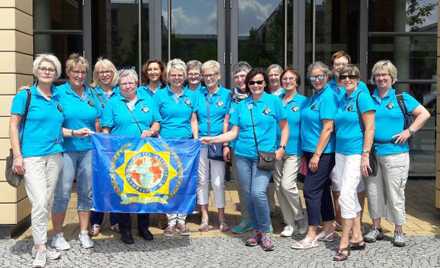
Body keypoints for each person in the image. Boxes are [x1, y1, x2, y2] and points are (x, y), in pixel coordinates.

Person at [201, 68, 289, 251]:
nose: (256, 85)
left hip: (265, 156)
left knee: (258, 193)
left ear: (264, 83)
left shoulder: (274, 101)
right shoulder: (241, 105)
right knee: (248, 196)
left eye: (259, 82)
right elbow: (233, 132)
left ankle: (265, 232)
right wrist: (213, 139)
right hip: (242, 156)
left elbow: (285, 126)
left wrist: (281, 148)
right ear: (247, 85)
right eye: (252, 83)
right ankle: (256, 232)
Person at [363, 60, 430, 247]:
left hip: (396, 154)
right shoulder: (369, 98)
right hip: (373, 153)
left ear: (392, 78)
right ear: (373, 78)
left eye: (385, 75)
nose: (381, 78)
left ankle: (399, 230)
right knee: (374, 192)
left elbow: (424, 114)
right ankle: (376, 228)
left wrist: (409, 131)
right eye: (378, 75)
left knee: (395, 193)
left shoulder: (402, 98)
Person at [9, 54, 67, 267]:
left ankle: (39, 243)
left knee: (47, 201)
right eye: (43, 68)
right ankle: (40, 247)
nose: (47, 71)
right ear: (36, 71)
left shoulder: (58, 96)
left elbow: (57, 128)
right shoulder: (25, 95)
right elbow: (13, 126)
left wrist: (75, 132)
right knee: (40, 201)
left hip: (55, 154)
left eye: (51, 69)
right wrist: (17, 155)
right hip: (31, 156)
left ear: (56, 73)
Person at [100, 69, 161, 244]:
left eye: (130, 83)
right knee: (124, 192)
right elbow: (106, 128)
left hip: (145, 154)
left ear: (136, 84)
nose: (127, 86)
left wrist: (151, 130)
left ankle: (143, 227)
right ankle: (125, 229)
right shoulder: (113, 103)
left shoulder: (147, 100)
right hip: (122, 154)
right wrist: (108, 148)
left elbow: (157, 122)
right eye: (123, 83)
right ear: (119, 86)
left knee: (144, 190)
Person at [51, 53, 99, 251]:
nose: (79, 75)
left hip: (88, 150)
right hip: (66, 150)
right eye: (75, 71)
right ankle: (57, 234)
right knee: (62, 193)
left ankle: (84, 232)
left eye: (82, 72)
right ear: (68, 72)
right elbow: (51, 124)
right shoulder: (58, 93)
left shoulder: (92, 93)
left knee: (86, 193)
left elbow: (98, 119)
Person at [291, 62, 337, 250]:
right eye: (313, 77)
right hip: (311, 151)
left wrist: (317, 155)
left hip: (323, 153)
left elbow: (328, 127)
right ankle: (328, 228)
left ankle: (312, 233)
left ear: (327, 77)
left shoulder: (328, 97)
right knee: (323, 190)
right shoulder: (314, 97)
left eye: (320, 76)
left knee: (310, 191)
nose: (317, 80)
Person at [332, 65, 375, 261]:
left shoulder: (362, 96)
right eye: (344, 76)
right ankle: (357, 237)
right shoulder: (341, 97)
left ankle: (345, 242)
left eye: (351, 76)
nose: (347, 79)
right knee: (346, 194)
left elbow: (370, 128)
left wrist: (365, 154)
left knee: (346, 196)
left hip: (355, 154)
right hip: (340, 152)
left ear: (357, 78)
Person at [154, 58, 199, 236]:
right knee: (168, 181)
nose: (177, 78)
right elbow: (156, 121)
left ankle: (182, 220)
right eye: (174, 75)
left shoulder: (192, 95)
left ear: (185, 76)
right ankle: (170, 220)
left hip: (187, 144)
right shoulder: (159, 95)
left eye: (180, 75)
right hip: (166, 144)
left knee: (185, 181)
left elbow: (193, 119)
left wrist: (196, 139)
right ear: (167, 76)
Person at [328, 50, 368, 229]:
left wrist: (366, 151)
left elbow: (369, 123)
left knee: (353, 187)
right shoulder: (330, 88)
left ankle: (354, 223)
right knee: (337, 182)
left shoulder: (361, 90)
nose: (341, 69)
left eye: (344, 65)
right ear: (333, 67)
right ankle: (341, 219)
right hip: (336, 144)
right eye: (337, 65)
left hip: (354, 146)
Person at [196, 60, 231, 232]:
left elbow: (227, 120)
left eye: (212, 75)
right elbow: (194, 117)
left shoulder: (227, 95)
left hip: (217, 142)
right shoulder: (198, 94)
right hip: (201, 143)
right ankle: (204, 217)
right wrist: (196, 138)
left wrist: (225, 143)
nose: (209, 78)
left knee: (218, 182)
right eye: (206, 75)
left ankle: (222, 218)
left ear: (218, 76)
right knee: (202, 181)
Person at [274, 67, 308, 238]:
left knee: (288, 185)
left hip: (294, 150)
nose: (287, 81)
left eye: (291, 79)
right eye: (285, 79)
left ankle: (300, 216)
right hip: (276, 150)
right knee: (279, 188)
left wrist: (306, 151)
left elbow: (307, 127)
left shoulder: (303, 101)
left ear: (297, 82)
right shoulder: (275, 100)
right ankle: (289, 223)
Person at [89, 57, 120, 236]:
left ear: (113, 72)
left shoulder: (121, 90)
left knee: (116, 181)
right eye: (101, 72)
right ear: (96, 74)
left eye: (108, 71)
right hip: (98, 145)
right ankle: (96, 220)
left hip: (118, 144)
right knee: (98, 182)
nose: (105, 75)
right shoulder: (90, 91)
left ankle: (115, 219)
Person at [228, 61, 253, 234]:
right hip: (237, 147)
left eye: (242, 75)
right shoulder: (231, 97)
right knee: (243, 186)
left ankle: (263, 221)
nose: (239, 79)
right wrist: (226, 145)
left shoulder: (260, 94)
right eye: (236, 76)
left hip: (259, 148)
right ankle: (246, 219)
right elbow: (227, 122)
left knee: (260, 188)